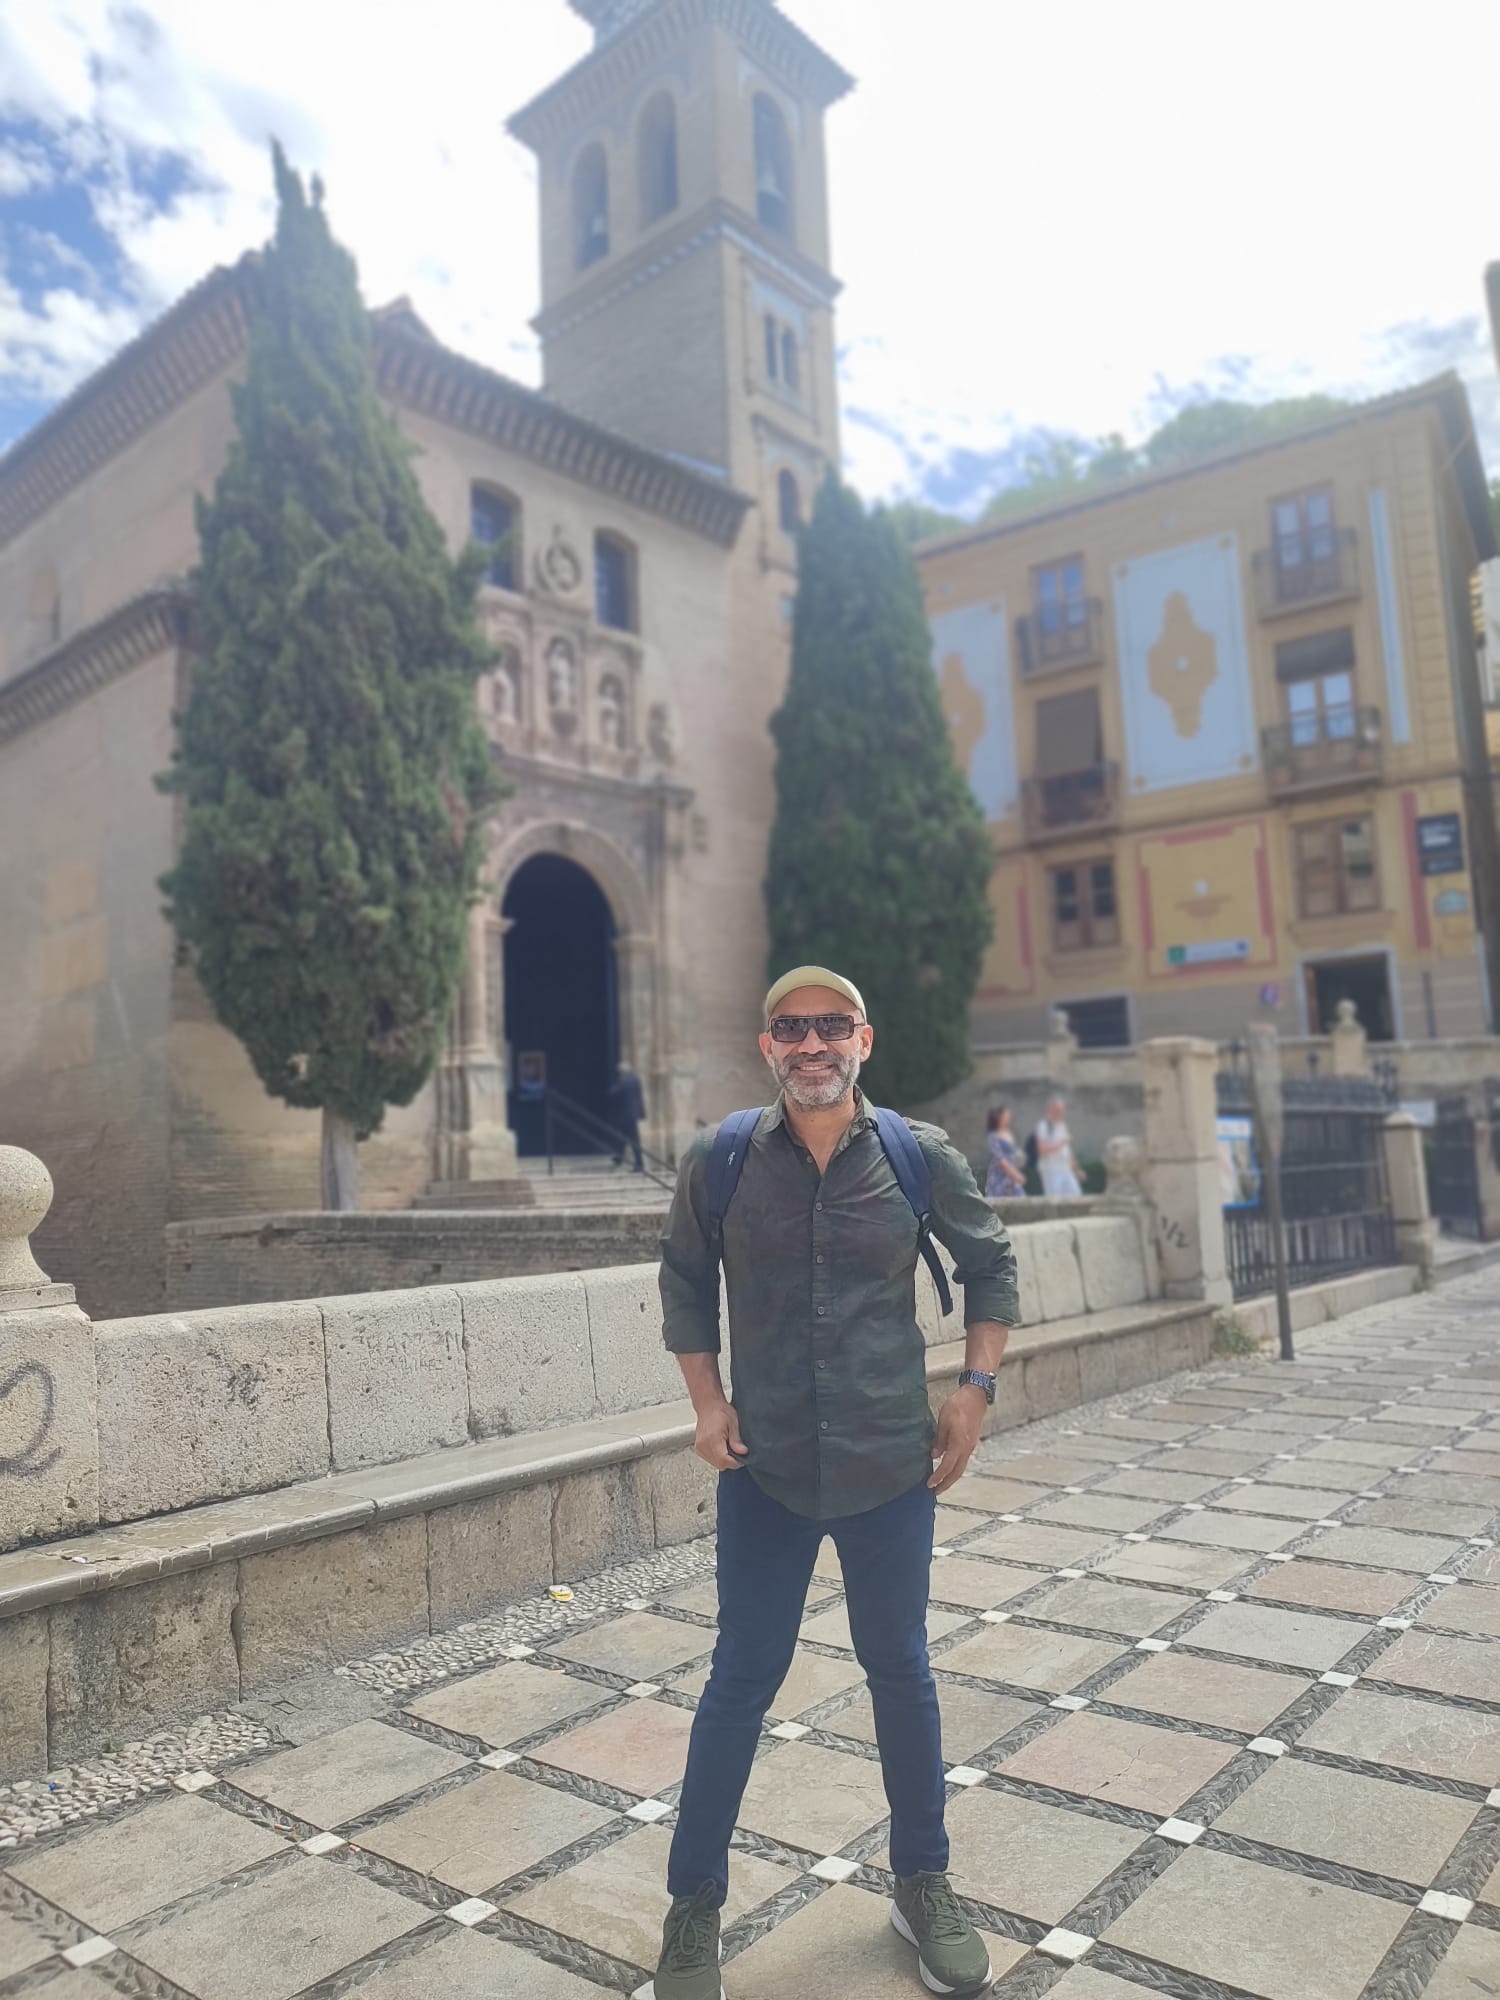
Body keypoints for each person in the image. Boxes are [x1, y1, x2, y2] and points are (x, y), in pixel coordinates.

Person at [653, 966, 1020, 2000]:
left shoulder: (917, 1155)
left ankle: (923, 1883)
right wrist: (706, 1402)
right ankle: (693, 1904)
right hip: (765, 1465)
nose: (811, 1044)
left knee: (901, 1671)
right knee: (739, 1680)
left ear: (864, 1039)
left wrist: (976, 1389)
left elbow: (991, 1264)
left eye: (831, 1026)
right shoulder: (723, 1158)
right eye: (791, 1028)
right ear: (766, 1046)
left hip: (888, 1461)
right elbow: (682, 1277)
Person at [1033, 1094, 1081, 1198]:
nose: (1061, 1112)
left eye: (1062, 1109)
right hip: (1051, 1170)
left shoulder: (1062, 1125)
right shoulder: (1043, 1126)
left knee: (1076, 1197)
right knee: (1055, 1201)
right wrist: (1061, 1143)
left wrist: (1077, 1170)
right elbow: (1041, 1149)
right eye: (1058, 1109)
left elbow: (1067, 1151)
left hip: (1066, 1169)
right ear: (1050, 1109)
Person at [609, 1060, 646, 1172]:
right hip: (633, 1115)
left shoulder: (624, 1082)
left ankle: (636, 1163)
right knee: (626, 1139)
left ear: (622, 1072)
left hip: (626, 1116)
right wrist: (641, 1113)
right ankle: (620, 1158)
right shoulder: (635, 1080)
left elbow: (614, 1093)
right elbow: (639, 1097)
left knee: (630, 1140)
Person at [984, 1103, 1026, 1198]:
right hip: (999, 1178)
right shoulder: (993, 1137)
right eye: (1005, 1116)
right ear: (999, 1118)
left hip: (1011, 1178)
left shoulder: (1009, 1133)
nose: (1008, 1118)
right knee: (999, 1204)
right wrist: (1016, 1175)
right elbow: (1000, 1160)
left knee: (1020, 1201)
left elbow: (1013, 1154)